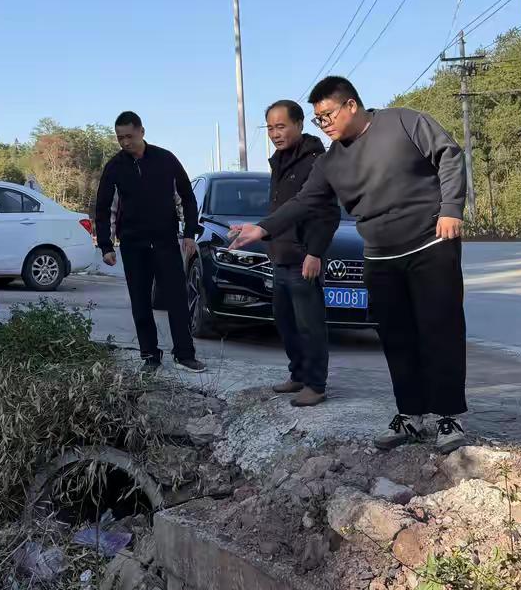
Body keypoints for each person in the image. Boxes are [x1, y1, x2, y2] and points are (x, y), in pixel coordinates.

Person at [228, 76, 469, 454]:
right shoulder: (331, 162)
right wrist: (262, 228)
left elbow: (449, 155)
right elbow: (304, 201)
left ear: (351, 105)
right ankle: (410, 413)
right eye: (318, 119)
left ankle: (448, 416)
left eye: (327, 116)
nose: (323, 125)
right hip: (380, 255)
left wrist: (451, 208)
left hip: (431, 244)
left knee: (440, 330)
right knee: (396, 337)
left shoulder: (402, 121)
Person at [93, 111, 207, 374]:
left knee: (176, 299)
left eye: (129, 136)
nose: (125, 142)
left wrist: (189, 233)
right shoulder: (114, 168)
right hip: (133, 245)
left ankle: (184, 354)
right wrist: (106, 246)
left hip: (165, 241)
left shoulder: (166, 160)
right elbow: (104, 208)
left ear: (141, 132)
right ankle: (150, 355)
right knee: (140, 301)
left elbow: (186, 198)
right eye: (120, 138)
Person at [264, 99, 339, 407]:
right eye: (270, 128)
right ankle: (298, 374)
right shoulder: (279, 161)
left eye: (281, 126)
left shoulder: (316, 161)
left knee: (310, 325)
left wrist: (315, 252)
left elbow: (328, 213)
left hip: (304, 257)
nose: (275, 134)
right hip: (280, 256)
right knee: (285, 322)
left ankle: (315, 385)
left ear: (299, 124)